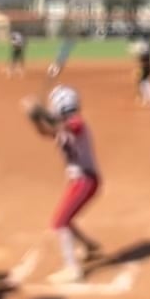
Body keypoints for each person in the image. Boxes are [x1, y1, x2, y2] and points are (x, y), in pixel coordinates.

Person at [26, 84, 104, 283]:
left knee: (60, 222)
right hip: (79, 181)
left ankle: (72, 269)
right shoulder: (64, 126)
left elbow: (68, 125)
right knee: (66, 219)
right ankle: (88, 246)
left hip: (85, 181)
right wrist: (34, 118)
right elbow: (46, 132)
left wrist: (40, 111)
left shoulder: (77, 123)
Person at [131, 33, 150, 107]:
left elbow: (141, 60)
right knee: (145, 82)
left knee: (144, 83)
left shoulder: (145, 51)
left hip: (145, 68)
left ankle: (148, 99)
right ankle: (147, 99)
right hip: (149, 67)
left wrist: (138, 67)